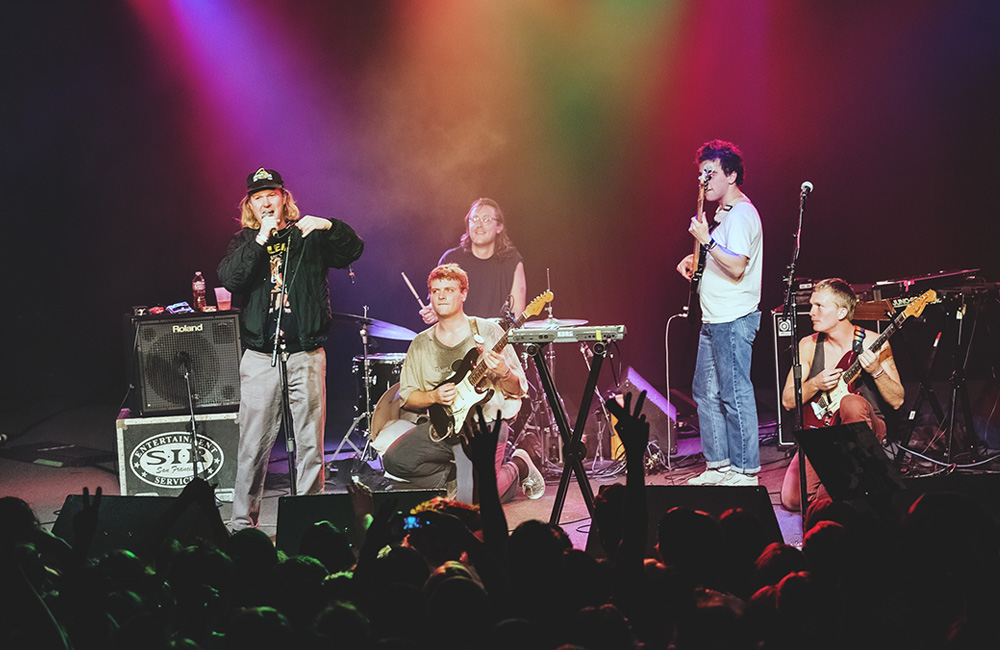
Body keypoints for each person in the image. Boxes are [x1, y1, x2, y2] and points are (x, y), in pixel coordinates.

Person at [219, 167, 364, 531]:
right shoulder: (245, 241)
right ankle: (241, 525)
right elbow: (230, 278)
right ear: (250, 204)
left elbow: (353, 250)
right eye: (258, 196)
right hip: (260, 356)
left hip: (306, 353)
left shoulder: (308, 235)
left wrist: (330, 225)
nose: (266, 201)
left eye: (272, 194)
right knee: (253, 445)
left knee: (310, 445)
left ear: (284, 197)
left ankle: (308, 522)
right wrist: (259, 241)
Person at [374, 263, 543, 503]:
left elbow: (518, 390)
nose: (441, 295)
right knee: (395, 461)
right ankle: (458, 480)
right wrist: (434, 397)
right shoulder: (421, 343)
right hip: (444, 427)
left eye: (449, 289)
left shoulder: (488, 331)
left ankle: (520, 464)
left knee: (479, 501)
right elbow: (408, 397)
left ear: (463, 294)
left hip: (485, 427)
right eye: (435, 290)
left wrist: (504, 372)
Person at [676, 139, 763, 486]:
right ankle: (719, 466)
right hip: (715, 319)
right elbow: (720, 261)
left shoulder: (741, 213)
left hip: (734, 318)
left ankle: (745, 471)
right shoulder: (724, 216)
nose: (704, 180)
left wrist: (706, 241)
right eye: (701, 173)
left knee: (734, 393)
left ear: (731, 174)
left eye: (710, 173)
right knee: (704, 392)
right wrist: (694, 260)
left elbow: (738, 266)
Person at [779, 278, 904, 511]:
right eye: (812, 305)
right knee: (792, 499)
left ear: (842, 312)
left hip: (864, 426)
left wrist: (876, 371)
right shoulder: (808, 345)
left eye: (819, 306)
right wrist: (815, 383)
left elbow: (897, 400)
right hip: (822, 431)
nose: (811, 312)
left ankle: (848, 499)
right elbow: (787, 400)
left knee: (851, 403)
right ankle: (855, 487)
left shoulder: (873, 342)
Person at [421, 198, 526, 324]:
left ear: (499, 227)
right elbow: (439, 302)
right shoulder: (451, 259)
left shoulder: (512, 259)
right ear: (468, 225)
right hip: (457, 340)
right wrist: (434, 311)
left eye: (486, 219)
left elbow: (517, 314)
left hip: (497, 339)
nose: (479, 225)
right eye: (474, 219)